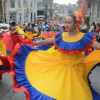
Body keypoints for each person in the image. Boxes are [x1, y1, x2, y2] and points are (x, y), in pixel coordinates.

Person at [0, 14, 100, 100]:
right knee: (58, 90)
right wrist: (39, 41)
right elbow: (51, 40)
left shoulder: (83, 37)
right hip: (62, 67)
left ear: (75, 24)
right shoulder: (62, 35)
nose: (66, 25)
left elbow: (97, 46)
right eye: (65, 22)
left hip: (76, 71)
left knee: (75, 93)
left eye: (69, 22)